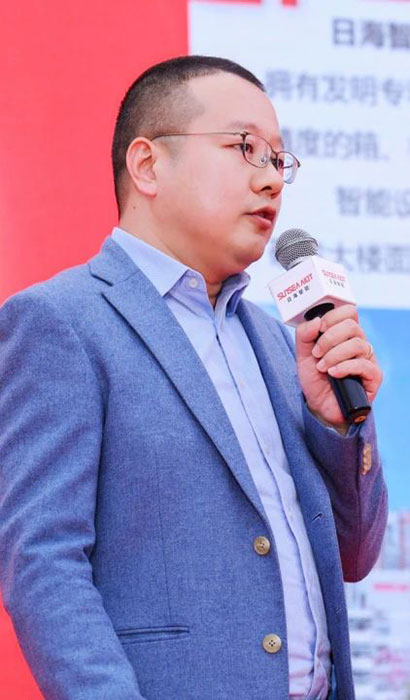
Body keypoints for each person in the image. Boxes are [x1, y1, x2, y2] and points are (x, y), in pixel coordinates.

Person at [0, 56, 387, 700]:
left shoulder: (279, 344)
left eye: (279, 159)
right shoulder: (61, 322)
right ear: (148, 165)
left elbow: (353, 557)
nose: (271, 179)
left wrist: (338, 428)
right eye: (244, 148)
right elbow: (41, 563)